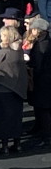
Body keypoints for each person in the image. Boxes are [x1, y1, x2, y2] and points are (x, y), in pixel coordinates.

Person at [0, 26, 28, 155]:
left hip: (2, 89)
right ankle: (17, 144)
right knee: (16, 117)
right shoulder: (19, 51)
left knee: (2, 118)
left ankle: (4, 146)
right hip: (17, 89)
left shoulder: (4, 52)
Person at [28, 18, 51, 147]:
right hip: (46, 80)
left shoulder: (41, 45)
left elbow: (38, 64)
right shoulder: (47, 41)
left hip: (43, 81)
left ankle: (46, 136)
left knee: (43, 109)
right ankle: (41, 130)